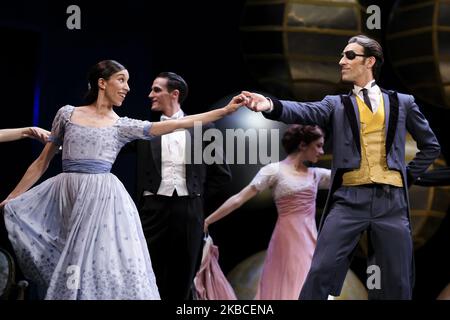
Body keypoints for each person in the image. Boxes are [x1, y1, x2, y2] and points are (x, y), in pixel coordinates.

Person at [0, 60, 245, 300]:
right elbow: (42, 161)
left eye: (128, 82)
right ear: (102, 83)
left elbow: (180, 123)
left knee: (95, 260)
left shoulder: (122, 125)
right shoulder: (66, 114)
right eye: (122, 80)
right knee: (71, 257)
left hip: (103, 199)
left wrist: (224, 111)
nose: (128, 87)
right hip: (68, 194)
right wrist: (14, 195)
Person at [242, 35, 441, 299]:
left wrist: (408, 175)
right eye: (342, 55)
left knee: (398, 281)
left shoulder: (402, 102)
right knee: (321, 271)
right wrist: (270, 105)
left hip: (390, 202)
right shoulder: (336, 104)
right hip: (349, 200)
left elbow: (431, 146)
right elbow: (305, 111)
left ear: (369, 61)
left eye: (349, 56)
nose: (341, 61)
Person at [131, 72, 232, 300]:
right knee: (147, 274)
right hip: (152, 211)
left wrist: (197, 201)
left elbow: (222, 176)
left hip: (189, 210)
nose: (150, 95)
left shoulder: (205, 129)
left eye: (156, 89)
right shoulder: (145, 131)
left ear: (174, 94)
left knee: (183, 277)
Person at [204, 124, 330, 300]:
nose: (322, 151)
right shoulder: (274, 170)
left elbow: (348, 178)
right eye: (318, 145)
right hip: (286, 241)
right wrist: (208, 220)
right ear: (302, 145)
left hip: (310, 239)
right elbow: (239, 198)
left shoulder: (316, 174)